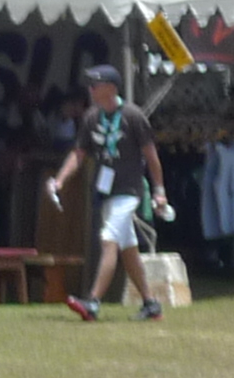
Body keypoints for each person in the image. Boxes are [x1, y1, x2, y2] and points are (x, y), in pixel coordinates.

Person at [48, 63, 169, 321]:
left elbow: (152, 156)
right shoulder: (92, 117)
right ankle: (150, 304)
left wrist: (159, 191)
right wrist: (60, 181)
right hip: (106, 192)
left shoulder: (133, 116)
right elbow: (78, 154)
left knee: (108, 239)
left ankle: (92, 302)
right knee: (128, 249)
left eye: (96, 84)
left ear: (111, 88)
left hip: (129, 191)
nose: (91, 89)